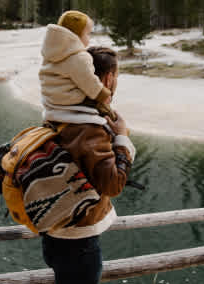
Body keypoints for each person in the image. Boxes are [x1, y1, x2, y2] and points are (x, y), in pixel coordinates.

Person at [41, 46, 136, 284]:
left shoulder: (59, 114)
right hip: (79, 243)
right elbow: (113, 185)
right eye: (117, 76)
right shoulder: (90, 128)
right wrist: (122, 138)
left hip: (52, 235)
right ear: (108, 78)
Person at [39, 10, 116, 121]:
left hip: (50, 100)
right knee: (102, 107)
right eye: (87, 34)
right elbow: (88, 81)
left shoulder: (50, 53)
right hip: (69, 99)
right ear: (75, 36)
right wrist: (104, 95)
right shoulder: (79, 57)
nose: (89, 38)